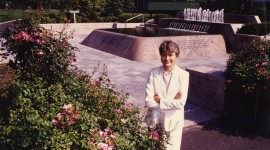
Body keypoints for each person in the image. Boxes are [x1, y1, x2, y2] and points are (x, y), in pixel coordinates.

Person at [145, 40, 189, 150]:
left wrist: (159, 100)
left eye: (170, 55)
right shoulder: (153, 73)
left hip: (174, 123)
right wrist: (171, 102)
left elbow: (180, 104)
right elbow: (148, 100)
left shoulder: (183, 75)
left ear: (176, 56)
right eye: (164, 55)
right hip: (155, 122)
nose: (167, 58)